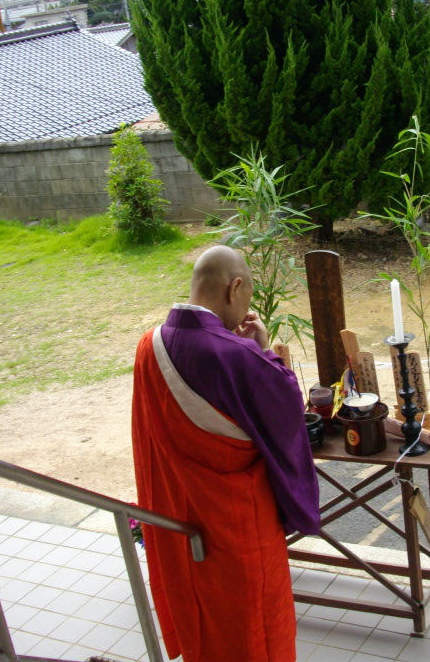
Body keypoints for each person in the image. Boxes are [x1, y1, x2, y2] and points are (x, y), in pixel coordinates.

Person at [131, 244, 320, 662]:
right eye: (247, 297)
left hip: (180, 517)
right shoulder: (238, 356)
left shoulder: (149, 345)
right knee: (255, 629)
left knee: (205, 623)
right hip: (237, 524)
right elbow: (286, 409)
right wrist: (263, 349)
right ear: (235, 287)